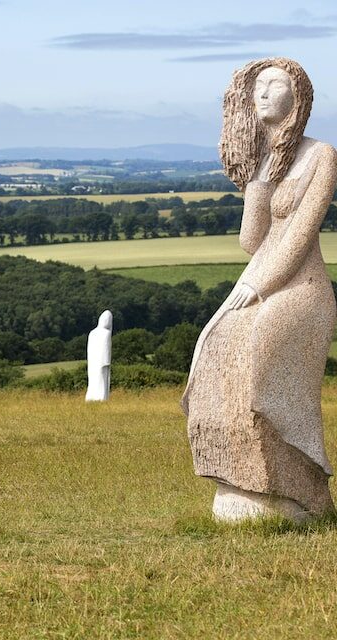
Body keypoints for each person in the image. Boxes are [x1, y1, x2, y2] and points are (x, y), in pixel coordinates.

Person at [182, 58, 337, 519]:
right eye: (258, 86)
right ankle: (243, 478)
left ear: (299, 96)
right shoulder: (268, 161)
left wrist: (259, 286)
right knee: (214, 344)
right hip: (260, 277)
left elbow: (297, 237)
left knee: (255, 344)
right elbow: (253, 240)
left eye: (276, 84)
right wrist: (258, 179)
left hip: (301, 289)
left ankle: (297, 491)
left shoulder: (321, 155)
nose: (264, 93)